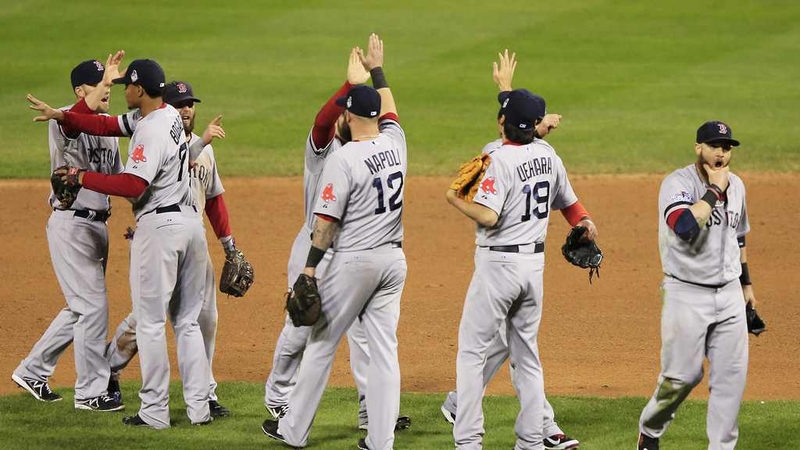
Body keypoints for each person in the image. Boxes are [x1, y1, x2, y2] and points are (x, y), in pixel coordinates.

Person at [27, 58, 213, 429]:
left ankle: (155, 412)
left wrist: (81, 176)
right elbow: (105, 123)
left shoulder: (149, 131)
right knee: (188, 323)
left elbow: (132, 185)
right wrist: (62, 116)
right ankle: (199, 408)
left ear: (139, 91)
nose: (120, 89)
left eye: (126, 84)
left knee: (149, 324)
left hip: (161, 228)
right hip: (192, 226)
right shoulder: (168, 116)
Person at [261, 33, 407, 450]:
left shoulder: (344, 159)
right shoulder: (395, 143)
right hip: (391, 260)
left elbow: (325, 224)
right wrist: (377, 72)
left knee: (321, 341)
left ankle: (293, 430)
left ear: (350, 116)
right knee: (376, 349)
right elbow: (385, 111)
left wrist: (309, 269)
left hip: (346, 258)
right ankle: (379, 438)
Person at [440, 50, 587, 450]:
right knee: (527, 356)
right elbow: (568, 201)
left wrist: (455, 199)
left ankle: (468, 439)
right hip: (532, 269)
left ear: (505, 122)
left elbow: (487, 217)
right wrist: (584, 224)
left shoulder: (497, 156)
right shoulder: (548, 155)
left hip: (497, 266)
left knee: (472, 353)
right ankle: (531, 441)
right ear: (537, 127)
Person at [104, 80, 235, 418]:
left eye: (190, 103)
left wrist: (229, 246)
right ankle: (109, 368)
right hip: (162, 235)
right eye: (180, 104)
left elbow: (215, 200)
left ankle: (204, 396)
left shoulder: (202, 150)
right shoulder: (156, 138)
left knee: (200, 319)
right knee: (147, 319)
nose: (187, 109)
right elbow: (137, 188)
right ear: (166, 109)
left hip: (191, 240)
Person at [12, 57, 125, 412]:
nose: (107, 88)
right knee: (92, 307)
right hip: (71, 224)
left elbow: (119, 179)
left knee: (81, 306)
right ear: (81, 90)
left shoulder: (108, 128)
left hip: (97, 227)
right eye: (100, 83)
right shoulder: (62, 118)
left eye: (108, 83)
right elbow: (79, 117)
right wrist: (104, 84)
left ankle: (33, 370)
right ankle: (90, 393)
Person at [637, 121, 756, 450]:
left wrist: (746, 286)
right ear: (698, 148)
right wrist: (715, 190)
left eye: (727, 147)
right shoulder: (677, 183)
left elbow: (739, 235)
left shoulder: (739, 186)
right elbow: (684, 226)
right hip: (686, 292)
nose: (721, 153)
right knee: (681, 378)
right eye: (714, 145)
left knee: (730, 381)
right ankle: (650, 427)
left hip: (730, 293)